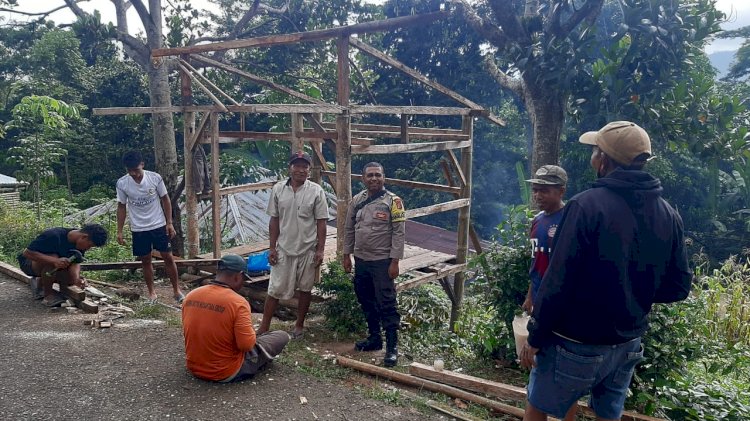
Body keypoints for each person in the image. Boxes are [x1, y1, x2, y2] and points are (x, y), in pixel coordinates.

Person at [520, 121, 692, 421]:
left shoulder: (585, 206)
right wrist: (631, 294)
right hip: (627, 343)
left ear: (603, 159)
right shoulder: (668, 213)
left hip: (575, 341)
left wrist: (535, 337)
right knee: (607, 415)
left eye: (595, 151)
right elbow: (677, 287)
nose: (593, 157)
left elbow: (558, 280)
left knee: (539, 406)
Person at [182, 254, 290, 382]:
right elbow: (246, 345)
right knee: (281, 336)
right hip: (225, 372)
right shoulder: (238, 302)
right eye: (243, 280)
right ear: (237, 277)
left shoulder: (190, 296)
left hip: (193, 367)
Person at [257, 151, 329, 338]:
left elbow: (322, 223)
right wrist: (272, 247)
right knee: (274, 289)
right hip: (284, 247)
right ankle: (264, 326)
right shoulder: (279, 189)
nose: (300, 170)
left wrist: (320, 250)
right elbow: (274, 220)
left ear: (309, 170)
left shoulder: (316, 191)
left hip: (307, 248)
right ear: (289, 168)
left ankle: (299, 325)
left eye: (304, 166)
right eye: (297, 166)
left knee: (305, 288)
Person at [342, 162, 406, 368]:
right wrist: (346, 255)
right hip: (361, 260)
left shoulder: (394, 202)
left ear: (384, 177)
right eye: (369, 175)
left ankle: (392, 348)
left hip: (382, 262)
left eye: (378, 175)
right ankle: (374, 338)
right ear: (363, 178)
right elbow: (349, 228)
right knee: (366, 299)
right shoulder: (356, 201)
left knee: (387, 303)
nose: (374, 178)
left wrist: (395, 261)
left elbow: (399, 232)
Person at [116, 150, 184, 303]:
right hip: (138, 228)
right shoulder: (122, 183)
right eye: (130, 171)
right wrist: (119, 230)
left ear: (142, 165)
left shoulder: (155, 178)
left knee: (168, 256)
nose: (134, 174)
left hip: (158, 224)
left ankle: (177, 290)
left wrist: (169, 222)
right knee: (145, 260)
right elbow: (121, 206)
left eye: (136, 170)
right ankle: (152, 293)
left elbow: (165, 199)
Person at [18, 224, 108, 307]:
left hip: (52, 267)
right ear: (84, 237)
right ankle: (48, 295)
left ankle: (42, 281)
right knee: (53, 258)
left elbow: (76, 262)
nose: (87, 249)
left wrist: (76, 279)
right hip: (29, 264)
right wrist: (55, 260)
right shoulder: (53, 235)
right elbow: (27, 253)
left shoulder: (79, 245)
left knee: (70, 278)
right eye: (89, 246)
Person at [522, 165, 567, 314]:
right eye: (535, 190)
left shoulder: (570, 219)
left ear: (561, 191)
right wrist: (529, 297)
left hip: (560, 301)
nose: (537, 195)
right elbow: (537, 262)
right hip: (537, 298)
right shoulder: (537, 220)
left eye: (544, 191)